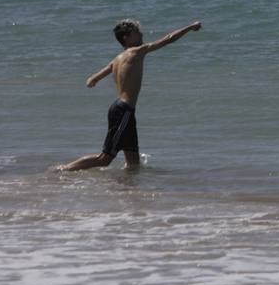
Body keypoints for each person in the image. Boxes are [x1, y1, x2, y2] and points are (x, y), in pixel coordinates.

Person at [57, 19, 202, 171]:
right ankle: (63, 169)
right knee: (105, 158)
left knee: (133, 162)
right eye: (137, 32)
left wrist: (93, 79)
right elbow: (168, 39)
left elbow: (97, 76)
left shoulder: (118, 58)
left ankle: (130, 193)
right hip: (123, 111)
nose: (141, 34)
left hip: (124, 110)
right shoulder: (136, 52)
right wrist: (190, 27)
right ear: (126, 37)